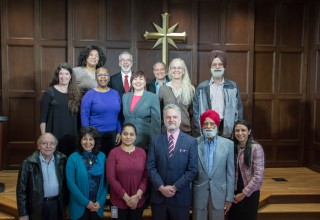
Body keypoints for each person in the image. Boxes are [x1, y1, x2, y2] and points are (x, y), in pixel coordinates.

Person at [147, 104, 198, 220]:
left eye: (175, 117)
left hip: (180, 198)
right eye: (168, 117)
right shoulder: (155, 140)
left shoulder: (191, 142)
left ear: (180, 119)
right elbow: (150, 168)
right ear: (164, 120)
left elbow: (192, 170)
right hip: (159, 198)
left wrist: (174, 187)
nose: (171, 120)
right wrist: (161, 187)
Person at [192, 110, 234, 220]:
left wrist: (229, 197)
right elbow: (190, 172)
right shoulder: (193, 143)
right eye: (205, 123)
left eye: (212, 123)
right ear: (201, 126)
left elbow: (230, 174)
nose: (208, 126)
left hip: (220, 195)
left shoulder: (228, 145)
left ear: (217, 125)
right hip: (198, 195)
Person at [16, 133, 68, 220]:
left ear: (55, 146)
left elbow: (66, 187)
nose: (48, 146)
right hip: (36, 206)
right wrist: (23, 213)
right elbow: (21, 191)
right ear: (39, 145)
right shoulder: (28, 162)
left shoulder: (62, 160)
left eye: (52, 143)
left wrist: (66, 206)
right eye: (44, 143)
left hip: (57, 204)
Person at [193, 50, 243, 138]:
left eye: (220, 64)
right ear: (210, 67)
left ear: (224, 67)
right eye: (214, 64)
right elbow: (196, 113)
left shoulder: (233, 86)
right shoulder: (202, 87)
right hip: (208, 125)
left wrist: (236, 130)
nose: (217, 67)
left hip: (227, 127)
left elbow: (238, 113)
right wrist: (199, 132)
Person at [106, 123, 148, 220]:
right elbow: (111, 178)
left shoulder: (142, 153)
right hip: (116, 203)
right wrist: (126, 198)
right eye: (125, 134)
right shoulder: (113, 153)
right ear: (120, 135)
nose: (128, 137)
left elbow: (146, 177)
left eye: (131, 134)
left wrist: (137, 196)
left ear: (136, 137)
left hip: (138, 202)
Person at [66, 126, 107, 220]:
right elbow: (71, 184)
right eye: (84, 139)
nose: (88, 142)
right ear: (80, 141)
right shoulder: (73, 158)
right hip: (78, 207)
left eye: (91, 139)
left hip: (97, 207)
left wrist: (100, 202)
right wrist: (86, 203)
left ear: (95, 141)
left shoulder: (102, 156)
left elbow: (106, 183)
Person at [40, 63, 81, 157]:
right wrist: (44, 138)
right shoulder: (49, 92)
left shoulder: (76, 93)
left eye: (66, 74)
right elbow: (42, 118)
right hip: (53, 136)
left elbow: (79, 119)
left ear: (71, 76)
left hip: (71, 137)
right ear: (57, 75)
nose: (64, 76)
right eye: (61, 74)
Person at [228, 120, 265, 220]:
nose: (240, 133)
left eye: (243, 130)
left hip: (250, 193)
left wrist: (243, 194)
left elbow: (258, 176)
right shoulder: (232, 147)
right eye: (237, 130)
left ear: (249, 132)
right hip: (234, 192)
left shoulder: (256, 148)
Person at [81, 67, 121, 157]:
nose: (103, 77)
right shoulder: (89, 95)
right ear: (96, 77)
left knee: (111, 162)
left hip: (112, 135)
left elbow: (117, 115)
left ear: (109, 77)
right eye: (100, 75)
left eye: (105, 75)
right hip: (95, 135)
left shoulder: (115, 93)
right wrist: (87, 135)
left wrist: (119, 131)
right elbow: (84, 115)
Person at [122, 70, 161, 151]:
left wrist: (154, 141)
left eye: (141, 79)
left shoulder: (152, 97)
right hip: (127, 138)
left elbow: (156, 122)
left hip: (144, 140)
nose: (138, 81)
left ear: (145, 81)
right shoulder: (125, 96)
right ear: (131, 81)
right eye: (135, 79)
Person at [158, 58, 195, 135]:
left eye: (179, 68)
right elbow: (159, 113)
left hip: (185, 130)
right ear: (170, 70)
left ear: (183, 71)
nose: (176, 70)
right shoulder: (163, 89)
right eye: (174, 68)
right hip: (167, 131)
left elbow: (193, 114)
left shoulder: (190, 89)